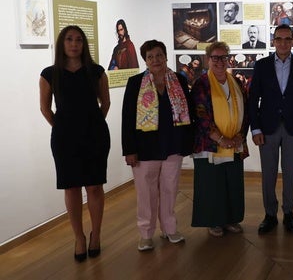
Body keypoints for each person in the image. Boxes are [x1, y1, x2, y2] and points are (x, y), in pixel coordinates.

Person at [39, 25, 110, 262]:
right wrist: (61, 128)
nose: (74, 44)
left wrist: (93, 126)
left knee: (94, 186)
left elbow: (105, 104)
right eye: (69, 39)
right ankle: (79, 237)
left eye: (79, 40)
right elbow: (45, 108)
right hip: (64, 139)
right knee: (71, 187)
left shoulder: (97, 71)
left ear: (84, 44)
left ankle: (96, 234)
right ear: (62, 43)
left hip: (94, 136)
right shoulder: (49, 74)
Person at [122, 40, 194, 251]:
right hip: (145, 149)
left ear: (165, 56)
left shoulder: (179, 80)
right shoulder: (136, 83)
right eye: (150, 56)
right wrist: (129, 150)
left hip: (173, 145)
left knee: (170, 189)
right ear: (145, 60)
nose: (155, 60)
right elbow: (127, 117)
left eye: (159, 55)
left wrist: (188, 143)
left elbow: (188, 112)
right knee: (146, 193)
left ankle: (170, 229)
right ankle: (145, 234)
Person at [249, 24, 293, 234]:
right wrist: (255, 129)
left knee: (290, 173)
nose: (283, 43)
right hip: (267, 128)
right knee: (268, 174)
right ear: (273, 41)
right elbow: (253, 100)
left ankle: (288, 213)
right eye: (279, 39)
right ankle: (269, 214)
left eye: (288, 39)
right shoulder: (261, 65)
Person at [190, 42, 250, 237]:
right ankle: (214, 221)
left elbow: (246, 111)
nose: (220, 61)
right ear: (208, 60)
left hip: (235, 143)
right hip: (211, 145)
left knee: (232, 183)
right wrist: (221, 139)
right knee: (212, 185)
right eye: (215, 58)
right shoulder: (202, 83)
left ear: (228, 59)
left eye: (223, 57)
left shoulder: (236, 82)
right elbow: (200, 114)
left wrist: (240, 134)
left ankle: (231, 219)